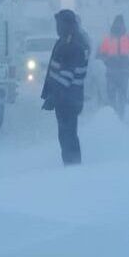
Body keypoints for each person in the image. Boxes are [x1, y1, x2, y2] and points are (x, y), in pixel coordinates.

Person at [41, 9, 89, 165]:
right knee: (65, 134)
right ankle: (70, 165)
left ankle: (73, 167)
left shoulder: (74, 44)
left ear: (68, 25)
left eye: (59, 24)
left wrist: (53, 97)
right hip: (64, 98)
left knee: (68, 135)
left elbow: (66, 76)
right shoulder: (64, 40)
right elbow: (54, 70)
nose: (57, 27)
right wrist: (49, 92)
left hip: (68, 99)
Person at [97, 14, 129, 119]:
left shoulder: (128, 38)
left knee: (122, 96)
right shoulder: (108, 38)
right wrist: (107, 60)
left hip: (123, 71)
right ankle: (113, 117)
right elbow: (101, 53)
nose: (119, 26)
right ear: (114, 25)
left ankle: (120, 117)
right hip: (112, 71)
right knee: (112, 96)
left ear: (123, 25)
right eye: (117, 23)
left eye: (121, 24)